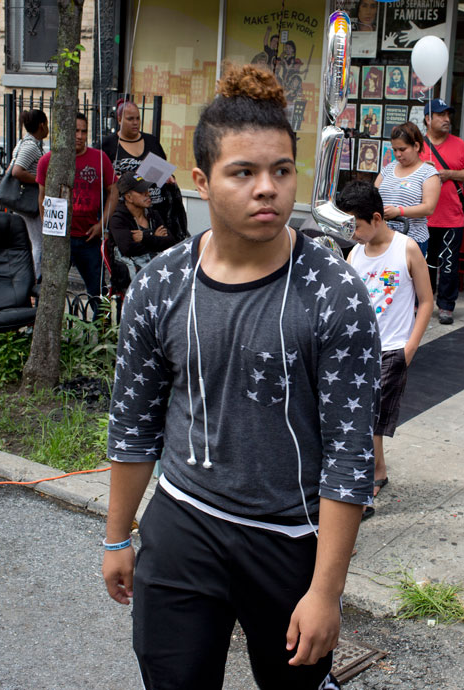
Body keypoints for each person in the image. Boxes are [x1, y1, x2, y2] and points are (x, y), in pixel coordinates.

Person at [102, 64, 380, 690]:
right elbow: (134, 423)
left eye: (282, 171)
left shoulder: (333, 292)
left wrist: (327, 593)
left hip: (287, 541)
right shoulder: (159, 286)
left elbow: (348, 455)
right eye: (244, 172)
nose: (268, 190)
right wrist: (118, 534)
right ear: (202, 180)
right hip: (182, 523)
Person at [340, 181, 433, 520]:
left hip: (393, 350)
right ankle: (377, 471)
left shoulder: (406, 249)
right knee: (369, 420)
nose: (353, 234)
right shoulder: (355, 254)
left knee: (364, 421)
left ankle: (361, 494)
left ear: (377, 218)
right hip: (359, 351)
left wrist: (409, 348)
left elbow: (426, 301)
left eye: (357, 226)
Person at [36, 113, 118, 310]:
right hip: (58, 238)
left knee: (98, 293)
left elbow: (114, 191)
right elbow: (42, 196)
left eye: (83, 131)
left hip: (88, 238)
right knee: (47, 290)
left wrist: (102, 224)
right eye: (75, 131)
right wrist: (48, 227)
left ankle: (100, 335)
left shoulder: (99, 158)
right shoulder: (48, 161)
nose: (80, 136)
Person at [420, 99, 464, 325]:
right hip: (422, 217)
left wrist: (448, 174)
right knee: (424, 264)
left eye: (448, 115)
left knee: (450, 265)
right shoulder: (417, 145)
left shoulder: (458, 144)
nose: (446, 120)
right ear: (427, 119)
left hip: (452, 217)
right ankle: (422, 302)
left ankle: (446, 306)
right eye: (441, 115)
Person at [99, 99, 187, 242]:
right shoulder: (108, 145)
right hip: (126, 214)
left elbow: (163, 167)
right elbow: (101, 178)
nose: (135, 122)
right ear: (119, 119)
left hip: (156, 211)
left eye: (138, 118)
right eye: (130, 119)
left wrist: (169, 178)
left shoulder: (152, 141)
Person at [374, 121, 439, 256]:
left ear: (416, 146)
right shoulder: (388, 168)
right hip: (383, 237)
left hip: (412, 240)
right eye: (395, 150)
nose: (398, 154)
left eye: (402, 149)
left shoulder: (428, 173)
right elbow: (372, 196)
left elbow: (429, 208)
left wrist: (399, 211)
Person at [107, 172, 182, 278]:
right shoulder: (118, 219)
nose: (148, 194)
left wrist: (146, 237)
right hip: (131, 277)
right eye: (142, 192)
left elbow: (170, 242)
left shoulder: (153, 214)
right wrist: (156, 238)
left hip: (157, 270)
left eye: (147, 190)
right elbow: (128, 249)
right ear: (129, 198)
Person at [7, 108, 49, 278]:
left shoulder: (25, 143)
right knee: (38, 242)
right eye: (46, 124)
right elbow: (16, 171)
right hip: (30, 202)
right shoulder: (31, 146)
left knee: (31, 242)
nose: (47, 128)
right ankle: (34, 279)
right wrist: (39, 180)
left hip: (25, 201)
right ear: (41, 125)